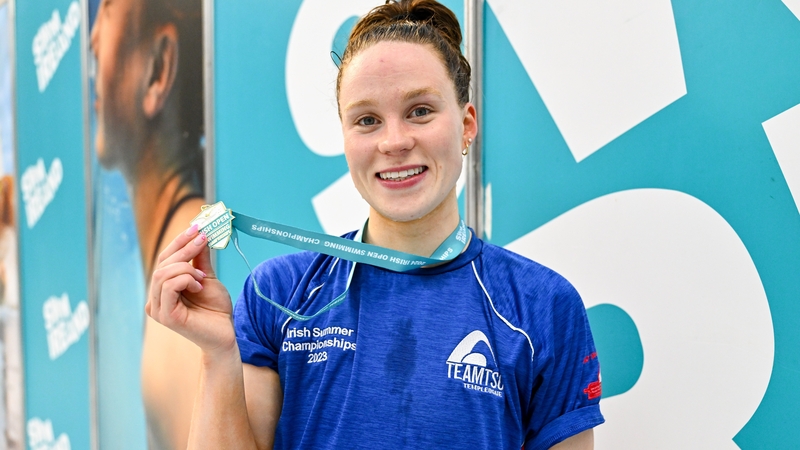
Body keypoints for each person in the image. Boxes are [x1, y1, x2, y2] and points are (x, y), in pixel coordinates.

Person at [147, 0, 604, 448]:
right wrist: (218, 354)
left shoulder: (543, 306)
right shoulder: (281, 294)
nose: (395, 141)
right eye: (367, 120)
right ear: (345, 138)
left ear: (466, 125)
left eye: (420, 111)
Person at [90, 0, 204, 448]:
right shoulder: (180, 246)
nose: (93, 39)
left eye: (108, 9)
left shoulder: (190, 268)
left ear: (158, 69)